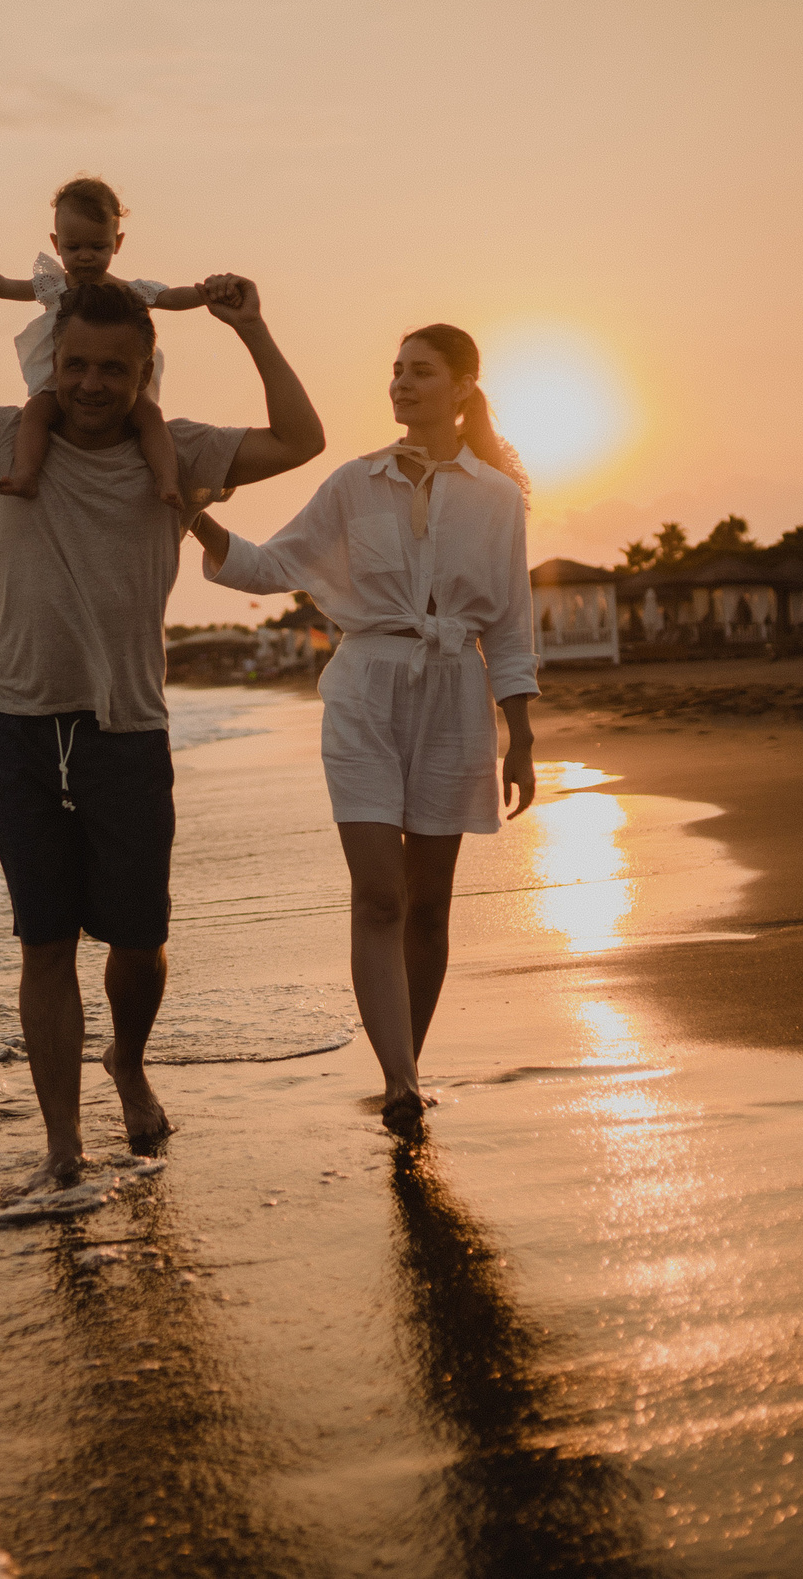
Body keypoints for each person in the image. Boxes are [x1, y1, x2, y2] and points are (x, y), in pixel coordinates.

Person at [0, 247, 324, 1193]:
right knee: (46, 943)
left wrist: (251, 328)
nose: (93, 385)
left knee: (139, 944)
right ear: (51, 362)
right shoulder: (1, 439)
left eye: (115, 368)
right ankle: (63, 1144)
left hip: (128, 731)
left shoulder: (178, 454)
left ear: (145, 372)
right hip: (21, 728)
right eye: (75, 365)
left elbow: (300, 438)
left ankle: (129, 1060)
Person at [186, 324, 539, 1134]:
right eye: (396, 370)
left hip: (454, 694)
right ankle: (401, 1082)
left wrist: (520, 735)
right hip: (364, 690)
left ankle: (404, 1063)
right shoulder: (354, 482)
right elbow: (274, 564)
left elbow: (511, 626)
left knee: (430, 903)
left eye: (421, 372)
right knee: (380, 894)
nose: (401, 384)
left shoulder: (498, 497)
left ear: (462, 386)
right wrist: (198, 520)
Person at [0, 175, 227, 510]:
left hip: (114, 380)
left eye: (98, 247)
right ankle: (25, 474)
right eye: (74, 248)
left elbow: (169, 297)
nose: (85, 257)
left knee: (148, 415)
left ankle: (167, 480)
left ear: (117, 242)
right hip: (60, 378)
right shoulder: (54, 285)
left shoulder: (127, 290)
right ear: (56, 244)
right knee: (36, 412)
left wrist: (206, 293)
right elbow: (7, 287)